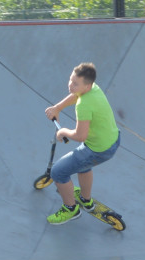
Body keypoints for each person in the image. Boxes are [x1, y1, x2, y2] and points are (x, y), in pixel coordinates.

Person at [43, 62, 120, 224]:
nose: (70, 85)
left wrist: (62, 131)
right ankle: (86, 200)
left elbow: (80, 135)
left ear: (87, 85)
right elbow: (76, 94)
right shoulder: (93, 89)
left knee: (58, 172)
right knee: (84, 165)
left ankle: (71, 209)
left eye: (75, 83)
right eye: (71, 80)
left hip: (98, 149)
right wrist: (58, 108)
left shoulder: (84, 105)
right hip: (110, 141)